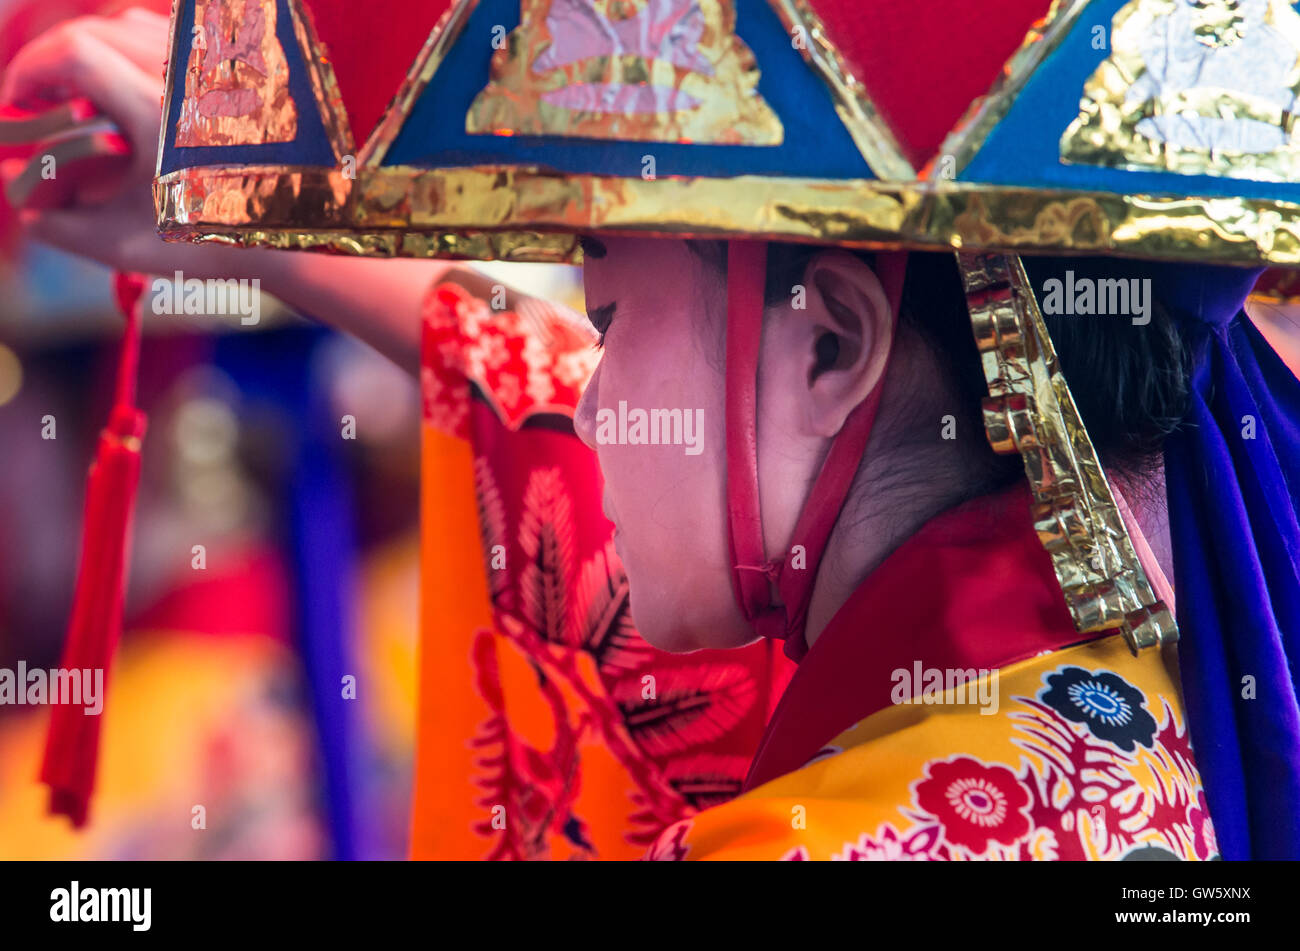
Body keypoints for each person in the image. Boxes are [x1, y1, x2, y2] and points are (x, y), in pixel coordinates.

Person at [8, 4, 1300, 860]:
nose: (595, 393)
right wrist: (214, 228)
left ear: (834, 344)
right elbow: (556, 410)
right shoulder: (1105, 660)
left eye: (613, 321)